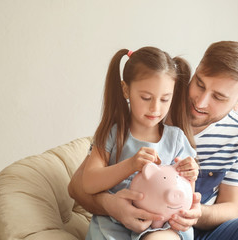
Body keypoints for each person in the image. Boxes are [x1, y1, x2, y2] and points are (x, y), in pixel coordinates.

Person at [69, 41, 238, 239]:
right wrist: (112, 205)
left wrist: (194, 213)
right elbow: (78, 186)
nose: (200, 102)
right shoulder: (156, 106)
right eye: (199, 84)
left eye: (218, 97)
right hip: (140, 223)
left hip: (191, 229)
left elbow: (231, 208)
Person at [82, 46, 199, 240]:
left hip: (163, 226)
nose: (155, 108)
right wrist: (130, 165)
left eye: (165, 99)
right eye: (146, 98)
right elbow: (88, 182)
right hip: (114, 225)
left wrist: (190, 175)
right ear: (126, 90)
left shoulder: (176, 139)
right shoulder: (112, 134)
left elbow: (185, 194)